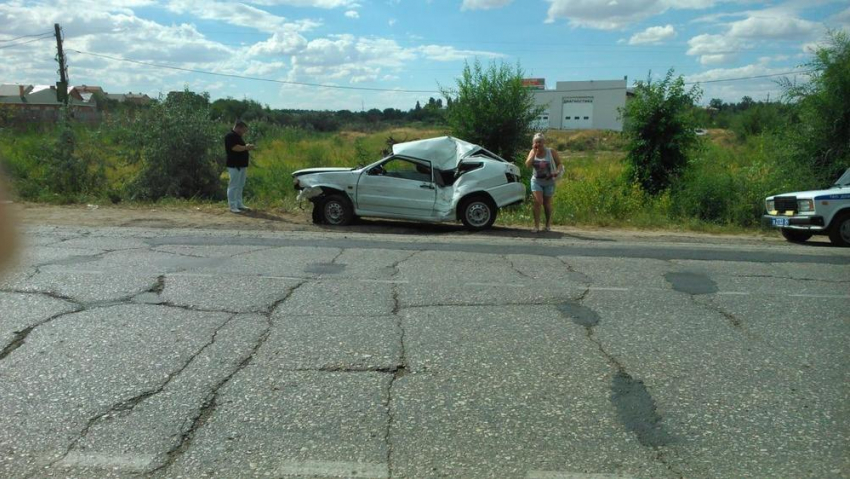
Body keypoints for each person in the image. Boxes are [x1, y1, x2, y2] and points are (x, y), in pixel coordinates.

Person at [524, 132, 562, 232]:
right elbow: (527, 165)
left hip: (549, 181)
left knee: (547, 203)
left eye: (540, 142)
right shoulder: (532, 152)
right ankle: (536, 226)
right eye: (536, 142)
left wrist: (557, 171)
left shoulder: (551, 152)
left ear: (544, 142)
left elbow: (559, 164)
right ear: (533, 143)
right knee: (538, 202)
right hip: (536, 181)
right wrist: (534, 153)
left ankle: (547, 224)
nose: (538, 144)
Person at [224, 120, 255, 213]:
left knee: (240, 185)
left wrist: (246, 147)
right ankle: (232, 206)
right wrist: (246, 147)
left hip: (242, 165)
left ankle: (239, 203)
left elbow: (240, 147)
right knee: (233, 185)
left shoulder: (238, 137)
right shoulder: (230, 136)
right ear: (238, 127)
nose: (244, 132)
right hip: (234, 165)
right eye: (243, 130)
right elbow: (234, 148)